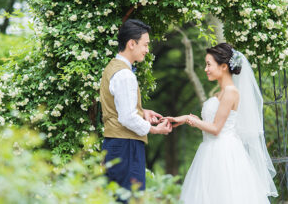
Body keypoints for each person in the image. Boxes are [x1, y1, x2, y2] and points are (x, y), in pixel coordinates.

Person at [166, 43, 278, 204]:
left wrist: (189, 119)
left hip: (223, 153)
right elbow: (212, 124)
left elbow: (216, 129)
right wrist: (191, 120)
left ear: (224, 66)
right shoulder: (220, 93)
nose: (206, 69)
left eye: (209, 64)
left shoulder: (231, 92)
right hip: (210, 150)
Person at [100, 19, 172, 201]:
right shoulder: (125, 75)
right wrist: (155, 129)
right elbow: (127, 117)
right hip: (127, 146)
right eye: (145, 44)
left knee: (115, 198)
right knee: (130, 198)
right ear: (131, 43)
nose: (147, 50)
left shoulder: (112, 67)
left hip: (114, 144)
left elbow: (119, 108)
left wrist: (143, 112)